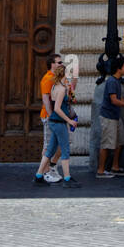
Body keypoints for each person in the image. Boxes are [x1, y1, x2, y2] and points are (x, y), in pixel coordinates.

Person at [35, 64, 80, 187]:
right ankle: (67, 179)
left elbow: (69, 100)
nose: (69, 78)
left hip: (54, 122)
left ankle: (38, 176)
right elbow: (57, 109)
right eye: (68, 75)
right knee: (65, 150)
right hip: (59, 122)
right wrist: (69, 121)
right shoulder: (61, 89)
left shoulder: (57, 86)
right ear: (64, 75)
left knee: (50, 151)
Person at [97, 55, 124, 178]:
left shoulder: (117, 81)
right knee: (106, 144)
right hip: (108, 116)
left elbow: (118, 99)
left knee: (121, 141)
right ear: (119, 68)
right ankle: (100, 171)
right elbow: (114, 100)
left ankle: (115, 167)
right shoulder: (111, 81)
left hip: (115, 116)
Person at [40, 53, 67, 183]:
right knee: (48, 145)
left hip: (58, 118)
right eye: (59, 62)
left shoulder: (56, 79)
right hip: (50, 117)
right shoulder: (47, 79)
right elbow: (46, 99)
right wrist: (52, 117)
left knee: (60, 145)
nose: (61, 64)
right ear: (52, 64)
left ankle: (51, 166)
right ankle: (45, 173)